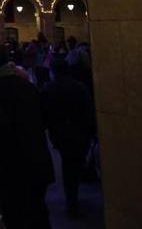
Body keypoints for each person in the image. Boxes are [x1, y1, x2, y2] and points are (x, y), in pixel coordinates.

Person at [0, 44, 54, 229]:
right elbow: (44, 119)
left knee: (14, 216)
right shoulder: (27, 85)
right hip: (38, 162)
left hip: (12, 168)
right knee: (38, 214)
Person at [41, 57, 96, 216]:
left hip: (61, 136)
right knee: (74, 164)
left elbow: (44, 114)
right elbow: (88, 110)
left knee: (68, 167)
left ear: (52, 72)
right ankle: (73, 196)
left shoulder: (49, 88)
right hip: (81, 134)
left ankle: (72, 200)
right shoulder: (80, 87)